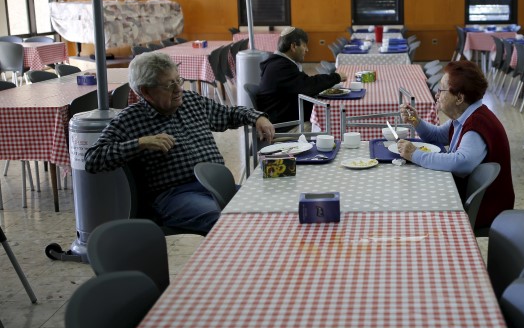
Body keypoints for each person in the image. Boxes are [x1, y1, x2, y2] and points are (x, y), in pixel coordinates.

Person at [84, 52, 275, 234]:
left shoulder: (191, 101)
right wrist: (140, 143)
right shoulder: (129, 119)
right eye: (169, 85)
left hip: (217, 185)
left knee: (269, 208)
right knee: (227, 221)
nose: (178, 90)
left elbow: (229, 114)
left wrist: (257, 117)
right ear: (146, 91)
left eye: (178, 80)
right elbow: (93, 158)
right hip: (176, 196)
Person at [396, 60, 514, 229]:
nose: (436, 95)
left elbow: (461, 163)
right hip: (467, 194)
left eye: (441, 90)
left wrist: (415, 154)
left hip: (485, 207)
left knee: (415, 205)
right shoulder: (466, 115)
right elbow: (436, 136)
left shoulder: (476, 124)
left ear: (459, 97)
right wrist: (415, 121)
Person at [255, 27, 344, 130]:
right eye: (304, 45)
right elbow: (308, 86)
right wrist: (336, 77)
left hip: (287, 121)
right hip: (283, 128)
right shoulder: (280, 67)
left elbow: (304, 83)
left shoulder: (279, 63)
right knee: (332, 125)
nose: (307, 50)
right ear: (293, 46)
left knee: (330, 118)